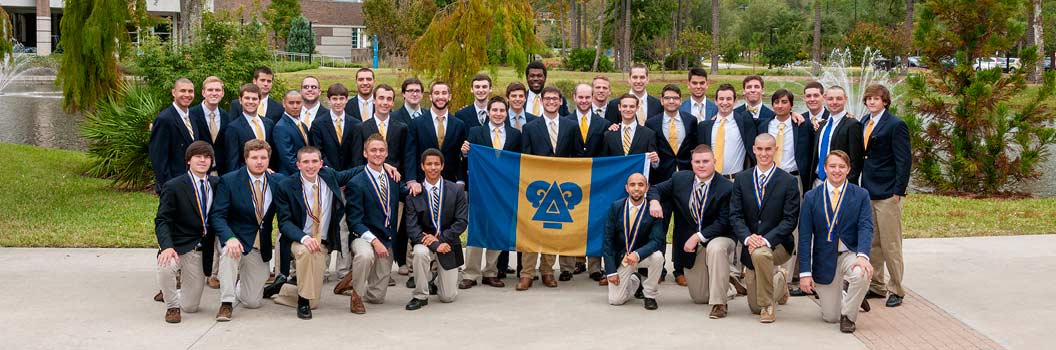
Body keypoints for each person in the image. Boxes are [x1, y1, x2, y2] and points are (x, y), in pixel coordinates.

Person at [269, 146, 359, 319]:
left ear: (321, 164)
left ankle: (283, 289)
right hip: (297, 239)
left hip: (322, 242)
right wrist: (304, 238)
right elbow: (284, 222)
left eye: (314, 161)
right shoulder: (286, 186)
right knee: (305, 252)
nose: (310, 166)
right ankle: (302, 301)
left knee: (315, 302)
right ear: (298, 165)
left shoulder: (329, 177)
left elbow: (354, 171)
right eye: (305, 162)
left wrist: (384, 166)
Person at [647, 145, 736, 319]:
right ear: (692, 163)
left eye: (705, 161)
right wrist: (654, 202)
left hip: (719, 237)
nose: (701, 165)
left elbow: (724, 222)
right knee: (700, 298)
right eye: (697, 162)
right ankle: (729, 284)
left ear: (714, 162)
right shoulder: (680, 179)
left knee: (716, 249)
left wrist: (697, 237)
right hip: (690, 246)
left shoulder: (727, 187)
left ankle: (720, 303)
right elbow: (655, 189)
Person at [798, 150, 874, 333]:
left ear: (848, 169)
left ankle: (849, 315)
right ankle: (850, 292)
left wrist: (863, 256)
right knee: (830, 317)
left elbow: (866, 227)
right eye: (832, 166)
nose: (837, 170)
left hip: (850, 254)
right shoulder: (811, 197)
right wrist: (804, 273)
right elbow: (805, 236)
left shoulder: (861, 195)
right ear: (825, 168)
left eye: (842, 166)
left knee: (861, 273)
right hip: (824, 259)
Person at [517, 86, 584, 290]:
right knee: (531, 230)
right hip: (536, 187)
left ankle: (547, 271)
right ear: (542, 101)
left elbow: (577, 156)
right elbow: (525, 158)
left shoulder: (571, 126)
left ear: (561, 101)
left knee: (551, 230)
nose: (552, 102)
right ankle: (527, 274)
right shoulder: (530, 127)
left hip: (560, 187)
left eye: (555, 99)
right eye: (548, 99)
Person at [209, 139, 284, 321]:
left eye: (263, 158)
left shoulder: (277, 181)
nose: (259, 162)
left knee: (253, 302)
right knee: (228, 253)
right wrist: (229, 238)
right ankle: (226, 302)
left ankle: (239, 284)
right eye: (254, 157)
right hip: (236, 239)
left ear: (269, 159)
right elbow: (217, 216)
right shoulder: (229, 180)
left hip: (259, 245)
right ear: (245, 158)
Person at [729, 134, 800, 323]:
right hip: (750, 246)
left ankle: (768, 305)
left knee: (761, 254)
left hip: (779, 245)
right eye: (759, 149)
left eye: (768, 149)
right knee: (754, 308)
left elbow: (789, 220)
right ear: (753, 150)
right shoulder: (742, 179)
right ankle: (780, 280)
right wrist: (748, 238)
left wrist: (765, 240)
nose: (764, 153)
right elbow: (735, 216)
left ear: (776, 150)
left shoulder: (788, 181)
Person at [460, 96, 522, 289]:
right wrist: (464, 152)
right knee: (477, 230)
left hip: (504, 191)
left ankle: (491, 272)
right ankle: (470, 273)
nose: (498, 114)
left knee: (497, 229)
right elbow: (466, 159)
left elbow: (518, 162)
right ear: (488, 112)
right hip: (481, 190)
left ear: (507, 113)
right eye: (494, 110)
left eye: (502, 111)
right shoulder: (476, 132)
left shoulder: (515, 135)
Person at [859, 84, 911, 308]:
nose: (872, 102)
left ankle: (896, 288)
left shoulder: (896, 125)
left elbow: (904, 160)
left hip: (888, 191)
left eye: (876, 99)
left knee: (891, 243)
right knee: (873, 242)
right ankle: (877, 285)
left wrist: (899, 190)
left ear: (885, 101)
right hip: (868, 189)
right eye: (869, 98)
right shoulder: (864, 122)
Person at [154, 141, 218, 323]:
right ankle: (172, 306)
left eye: (207, 157)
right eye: (198, 156)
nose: (203, 160)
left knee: (190, 307)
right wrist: (166, 247)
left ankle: (171, 291)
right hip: (177, 246)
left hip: (199, 250)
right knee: (165, 265)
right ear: (188, 160)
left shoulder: (216, 183)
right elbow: (162, 220)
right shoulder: (174, 186)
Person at [345, 135, 409, 314]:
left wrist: (420, 186)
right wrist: (374, 241)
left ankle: (352, 278)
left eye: (381, 150)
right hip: (363, 237)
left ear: (387, 153)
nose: (378, 153)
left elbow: (409, 194)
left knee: (376, 298)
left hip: (387, 237)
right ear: (365, 153)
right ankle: (356, 295)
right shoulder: (356, 183)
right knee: (365, 256)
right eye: (373, 150)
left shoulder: (393, 178)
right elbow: (354, 222)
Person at [351, 84, 411, 275]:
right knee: (367, 224)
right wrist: (381, 166)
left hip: (392, 186)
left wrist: (408, 181)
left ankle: (387, 265)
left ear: (393, 102)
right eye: (381, 98)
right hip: (368, 187)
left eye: (389, 99)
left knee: (392, 224)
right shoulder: (361, 127)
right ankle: (362, 269)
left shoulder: (401, 127)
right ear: (374, 100)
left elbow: (406, 156)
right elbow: (356, 158)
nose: (385, 102)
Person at [645, 84, 697, 286]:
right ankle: (659, 268)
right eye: (667, 98)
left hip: (686, 180)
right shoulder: (652, 123)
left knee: (684, 226)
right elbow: (651, 153)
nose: (671, 101)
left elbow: (695, 149)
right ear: (662, 100)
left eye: (675, 98)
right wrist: (655, 161)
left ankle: (680, 269)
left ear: (680, 100)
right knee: (660, 226)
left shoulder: (691, 121)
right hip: (662, 180)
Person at [404, 149, 468, 310]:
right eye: (429, 164)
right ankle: (420, 295)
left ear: (442, 166)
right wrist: (434, 245)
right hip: (424, 242)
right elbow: (412, 228)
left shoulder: (456, 191)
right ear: (422, 166)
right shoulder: (414, 193)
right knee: (419, 252)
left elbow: (462, 221)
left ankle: (436, 281)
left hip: (447, 243)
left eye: (436, 164)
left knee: (448, 297)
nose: (433, 167)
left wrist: (441, 240)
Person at [604, 173, 665, 310]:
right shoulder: (616, 207)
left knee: (658, 257)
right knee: (616, 300)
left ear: (647, 188)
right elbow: (608, 240)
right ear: (626, 188)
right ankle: (636, 281)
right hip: (622, 258)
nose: (636, 188)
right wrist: (611, 271)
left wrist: (638, 254)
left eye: (640, 184)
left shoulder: (654, 209)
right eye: (632, 185)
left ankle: (649, 294)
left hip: (643, 256)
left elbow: (657, 240)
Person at [570, 83, 613, 281]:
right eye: (581, 97)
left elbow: (607, 154)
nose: (585, 101)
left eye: (588, 97)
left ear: (593, 97)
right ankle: (576, 261)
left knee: (595, 221)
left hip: (596, 182)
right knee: (574, 221)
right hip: (571, 182)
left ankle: (595, 266)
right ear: (574, 97)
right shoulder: (565, 121)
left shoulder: (604, 124)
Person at [405, 81, 466, 185]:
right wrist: (411, 180)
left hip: (450, 183)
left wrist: (460, 179)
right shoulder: (416, 123)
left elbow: (460, 156)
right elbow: (410, 154)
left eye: (444, 93)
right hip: (422, 182)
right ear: (430, 97)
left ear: (449, 96)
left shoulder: (459, 124)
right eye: (437, 93)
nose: (440, 97)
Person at [149, 78, 200, 194]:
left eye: (190, 91)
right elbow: (158, 157)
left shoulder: (193, 117)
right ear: (174, 92)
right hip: (173, 184)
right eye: (183, 91)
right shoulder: (164, 119)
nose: (187, 95)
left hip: (192, 182)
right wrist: (168, 187)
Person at [696, 83, 757, 181]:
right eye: (721, 99)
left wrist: (790, 114)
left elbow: (764, 121)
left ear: (735, 101)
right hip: (711, 180)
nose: (724, 102)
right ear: (715, 101)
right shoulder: (704, 127)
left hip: (736, 180)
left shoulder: (745, 121)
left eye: (729, 99)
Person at [810, 86, 864, 187]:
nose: (834, 102)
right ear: (825, 99)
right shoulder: (822, 125)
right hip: (817, 181)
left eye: (839, 98)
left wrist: (846, 186)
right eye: (830, 99)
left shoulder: (852, 125)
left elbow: (856, 161)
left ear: (845, 99)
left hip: (839, 184)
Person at [223, 84, 275, 175]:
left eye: (254, 99)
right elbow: (233, 161)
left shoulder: (269, 124)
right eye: (247, 98)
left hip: (268, 176)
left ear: (259, 101)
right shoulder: (233, 128)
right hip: (245, 177)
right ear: (240, 100)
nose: (251, 102)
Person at [310, 83, 361, 171]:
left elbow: (356, 153)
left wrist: (349, 173)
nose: (338, 102)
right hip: (327, 172)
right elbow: (318, 151)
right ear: (328, 100)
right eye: (334, 99)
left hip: (350, 174)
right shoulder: (318, 124)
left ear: (346, 100)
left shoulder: (356, 124)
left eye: (341, 99)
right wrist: (331, 172)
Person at [189, 76, 228, 174]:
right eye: (210, 90)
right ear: (203, 93)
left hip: (221, 173)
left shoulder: (227, 117)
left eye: (217, 90)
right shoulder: (191, 115)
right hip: (197, 172)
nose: (214, 93)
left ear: (222, 93)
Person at [272, 90, 310, 175]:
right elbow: (287, 157)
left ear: (302, 103)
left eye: (298, 103)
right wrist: (305, 173)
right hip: (291, 176)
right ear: (284, 104)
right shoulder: (281, 127)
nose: (295, 106)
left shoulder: (303, 126)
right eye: (291, 103)